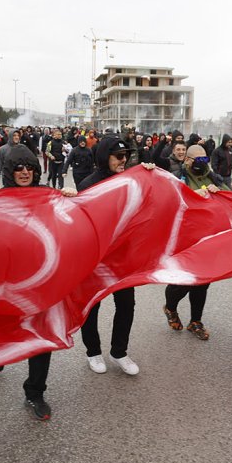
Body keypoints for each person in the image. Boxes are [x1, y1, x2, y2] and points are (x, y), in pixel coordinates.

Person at [0, 142, 78, 419]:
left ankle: (35, 392)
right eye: (18, 167)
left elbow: (70, 220)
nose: (24, 172)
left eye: (29, 167)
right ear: (9, 170)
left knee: (42, 336)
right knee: (4, 330)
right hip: (8, 281)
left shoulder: (47, 194)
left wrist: (70, 198)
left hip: (42, 280)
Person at [78, 138, 153, 375]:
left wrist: (151, 175)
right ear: (104, 157)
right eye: (118, 156)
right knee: (92, 306)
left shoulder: (132, 178)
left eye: (125, 156)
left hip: (122, 257)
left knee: (126, 304)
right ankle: (93, 352)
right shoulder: (88, 183)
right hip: (95, 257)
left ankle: (119, 352)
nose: (123, 160)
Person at [162, 145, 229, 340]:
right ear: (188, 161)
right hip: (185, 239)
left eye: (205, 160)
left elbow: (229, 197)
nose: (203, 164)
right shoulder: (176, 178)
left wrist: (219, 191)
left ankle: (195, 321)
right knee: (183, 281)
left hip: (207, 239)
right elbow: (168, 202)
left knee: (203, 282)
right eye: (198, 160)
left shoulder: (213, 177)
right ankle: (170, 307)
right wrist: (190, 197)